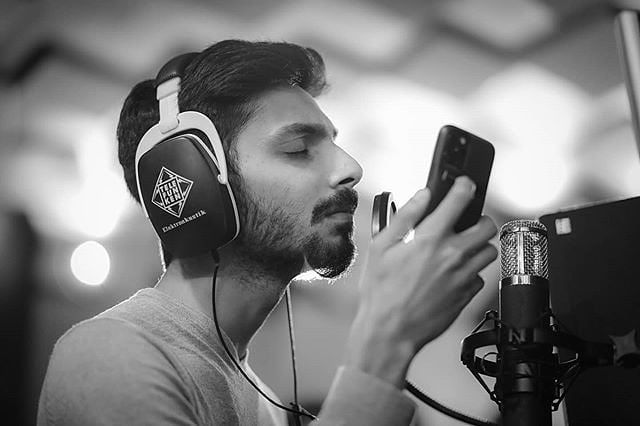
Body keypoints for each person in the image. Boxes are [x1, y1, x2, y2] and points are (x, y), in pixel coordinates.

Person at [37, 40, 498, 425]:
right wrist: (386, 341)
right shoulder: (112, 353)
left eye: (335, 144)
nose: (352, 168)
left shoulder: (265, 405)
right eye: (298, 148)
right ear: (195, 182)